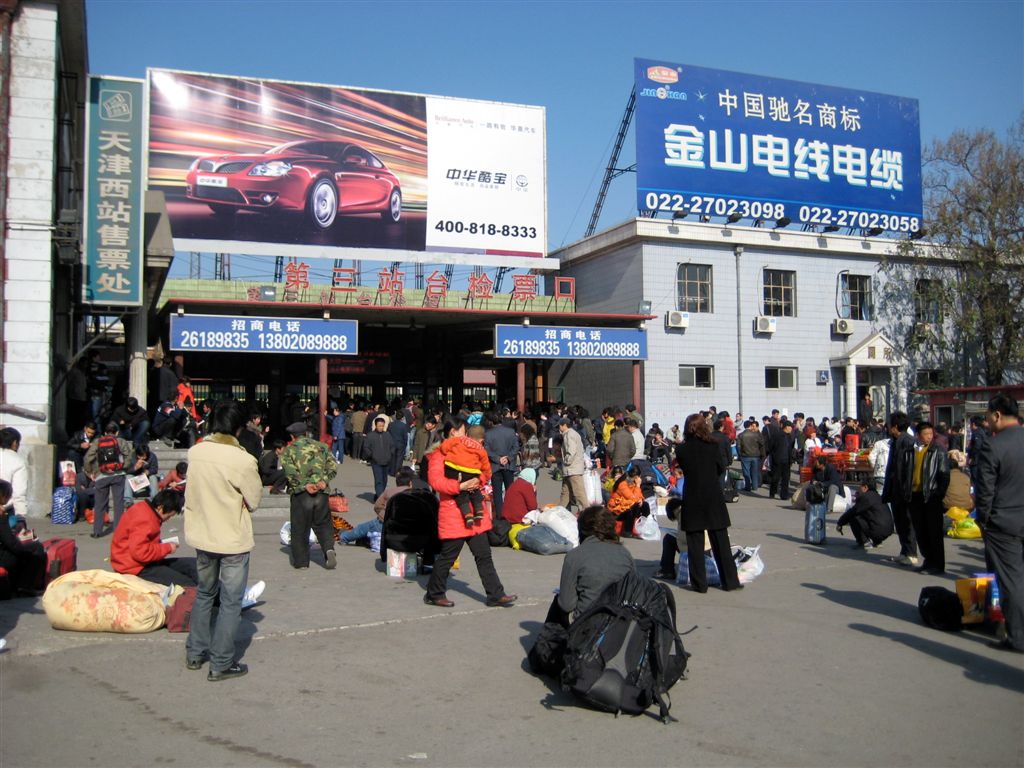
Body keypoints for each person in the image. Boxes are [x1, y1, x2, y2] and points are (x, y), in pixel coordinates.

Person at [184, 400, 263, 682]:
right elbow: (253, 500)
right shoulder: (242, 460)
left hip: (202, 535)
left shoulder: (196, 452)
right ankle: (220, 663)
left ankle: (195, 652)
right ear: (238, 429)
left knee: (204, 594)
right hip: (232, 540)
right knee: (230, 602)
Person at [424, 418, 516, 609]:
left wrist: (478, 481)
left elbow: (485, 471)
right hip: (453, 512)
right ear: (452, 433)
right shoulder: (439, 454)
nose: (466, 436)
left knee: (484, 555)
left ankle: (496, 595)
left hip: (475, 513)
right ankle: (434, 593)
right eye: (462, 432)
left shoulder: (471, 451)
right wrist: (460, 486)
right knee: (448, 557)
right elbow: (436, 482)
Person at [974, 394, 1024, 653]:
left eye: (987, 417)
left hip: (1003, 522)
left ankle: (1018, 636)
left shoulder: (993, 446)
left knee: (1011, 580)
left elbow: (985, 491)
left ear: (996, 415)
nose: (987, 422)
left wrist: (984, 519)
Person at [673, 413, 742, 592]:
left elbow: (684, 468)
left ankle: (699, 583)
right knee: (720, 541)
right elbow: (720, 467)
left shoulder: (681, 449)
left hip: (693, 495)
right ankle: (730, 581)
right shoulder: (713, 446)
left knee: (695, 543)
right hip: (712, 495)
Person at [545, 505, 636, 628]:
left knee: (559, 601)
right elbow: (634, 591)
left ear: (582, 529)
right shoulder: (625, 554)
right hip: (620, 626)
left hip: (588, 627)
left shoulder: (575, 555)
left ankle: (553, 642)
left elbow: (566, 604)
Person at [281, 421, 338, 570]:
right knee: (324, 524)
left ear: (292, 436)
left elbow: (290, 472)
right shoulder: (322, 446)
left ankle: (301, 562)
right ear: (306, 433)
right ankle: (328, 549)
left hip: (302, 494)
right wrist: (324, 481)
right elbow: (333, 466)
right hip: (321, 492)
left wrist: (304, 485)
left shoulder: (289, 450)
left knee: (300, 527)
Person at [111, 489, 197, 586]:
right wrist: (167, 548)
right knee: (186, 584)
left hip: (141, 563)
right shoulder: (145, 519)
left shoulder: (144, 509)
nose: (168, 520)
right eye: (168, 516)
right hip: (134, 568)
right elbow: (140, 552)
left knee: (192, 565)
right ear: (160, 508)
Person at [341, 466, 422, 546]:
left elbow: (377, 506)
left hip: (386, 525)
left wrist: (383, 516)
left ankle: (344, 537)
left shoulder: (389, 491)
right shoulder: (417, 495)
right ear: (410, 483)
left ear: (397, 482)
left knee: (362, 529)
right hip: (409, 529)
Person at [908, 422, 949, 575]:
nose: (929, 437)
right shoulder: (912, 450)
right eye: (925, 434)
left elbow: (944, 474)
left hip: (931, 495)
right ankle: (928, 560)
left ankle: (937, 564)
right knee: (920, 530)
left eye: (931, 434)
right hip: (915, 495)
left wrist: (939, 494)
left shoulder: (937, 451)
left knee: (934, 532)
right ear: (918, 435)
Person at [881, 411, 921, 567]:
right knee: (900, 521)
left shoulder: (907, 442)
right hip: (897, 489)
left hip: (904, 490)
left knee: (906, 521)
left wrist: (906, 490)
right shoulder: (897, 441)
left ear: (895, 427)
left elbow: (908, 469)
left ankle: (911, 553)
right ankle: (905, 552)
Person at [83, 422, 135, 538]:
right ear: (117, 432)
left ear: (104, 433)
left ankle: (97, 531)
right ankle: (119, 531)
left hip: (101, 475)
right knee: (118, 503)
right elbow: (129, 457)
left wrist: (90, 471)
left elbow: (87, 458)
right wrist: (122, 467)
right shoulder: (121, 441)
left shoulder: (97, 442)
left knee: (100, 504)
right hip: (118, 475)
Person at [438, 423, 490, 527]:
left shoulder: (459, 440)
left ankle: (467, 514)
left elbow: (445, 446)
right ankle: (479, 510)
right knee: (475, 491)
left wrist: (446, 451)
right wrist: (483, 479)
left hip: (453, 469)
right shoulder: (481, 449)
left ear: (467, 434)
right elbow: (486, 467)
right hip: (471, 472)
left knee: (461, 495)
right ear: (481, 440)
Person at [0, 480, 46, 594]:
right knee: (36, 547)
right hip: (2, 558)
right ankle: (25, 586)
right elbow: (12, 544)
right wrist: (23, 545)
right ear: (4, 496)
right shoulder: (1, 514)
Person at [836, 481, 894, 549]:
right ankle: (877, 541)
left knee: (853, 517)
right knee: (870, 516)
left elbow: (853, 511)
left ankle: (864, 542)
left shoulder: (866, 497)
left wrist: (840, 523)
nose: (858, 489)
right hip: (888, 529)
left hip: (878, 530)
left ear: (865, 487)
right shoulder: (877, 496)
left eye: (860, 487)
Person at [484, 413, 520, 519]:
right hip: (508, 465)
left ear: (491, 422)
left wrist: (498, 459)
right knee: (510, 490)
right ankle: (511, 512)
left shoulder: (488, 433)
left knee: (497, 492)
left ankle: (500, 515)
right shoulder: (511, 431)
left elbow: (487, 450)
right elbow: (516, 447)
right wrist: (508, 457)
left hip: (495, 465)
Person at [606, 467, 649, 538]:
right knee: (634, 506)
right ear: (636, 477)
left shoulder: (633, 482)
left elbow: (639, 496)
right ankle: (627, 531)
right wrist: (638, 486)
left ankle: (642, 527)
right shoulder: (622, 484)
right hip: (617, 510)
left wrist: (641, 499)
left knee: (645, 505)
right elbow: (632, 498)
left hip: (626, 506)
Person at [557, 417, 588, 513]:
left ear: (564, 425)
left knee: (579, 493)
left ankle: (587, 513)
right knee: (565, 492)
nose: (559, 428)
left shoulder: (569, 435)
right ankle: (560, 510)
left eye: (560, 426)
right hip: (571, 469)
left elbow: (571, 451)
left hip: (572, 469)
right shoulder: (573, 434)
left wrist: (566, 461)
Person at [362, 416, 393, 500]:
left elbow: (392, 446)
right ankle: (380, 498)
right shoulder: (370, 435)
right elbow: (366, 447)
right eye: (379, 425)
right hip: (376, 462)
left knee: (384, 480)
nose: (381, 427)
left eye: (382, 426)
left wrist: (390, 454)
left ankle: (379, 494)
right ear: (376, 425)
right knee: (378, 480)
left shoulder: (387, 435)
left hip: (386, 461)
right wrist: (372, 455)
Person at [0, 428, 29, 518]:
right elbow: (19, 493)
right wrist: (21, 516)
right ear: (15, 443)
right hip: (5, 511)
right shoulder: (18, 461)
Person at [766, 419, 796, 500]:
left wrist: (792, 459)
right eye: (790, 427)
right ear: (786, 427)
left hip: (787, 461)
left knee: (786, 479)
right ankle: (772, 493)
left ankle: (784, 495)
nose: (791, 429)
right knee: (775, 478)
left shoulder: (789, 437)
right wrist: (774, 456)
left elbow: (791, 448)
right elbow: (770, 446)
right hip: (778, 460)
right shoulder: (777, 435)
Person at [737, 419, 765, 494]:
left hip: (745, 455)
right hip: (755, 455)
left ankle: (748, 486)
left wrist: (739, 455)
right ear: (750, 426)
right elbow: (762, 443)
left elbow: (738, 446)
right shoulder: (756, 434)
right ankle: (755, 486)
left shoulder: (741, 435)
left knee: (746, 472)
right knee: (755, 471)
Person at [386, 412, 410, 476]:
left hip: (392, 443)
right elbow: (405, 436)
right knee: (399, 458)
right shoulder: (404, 425)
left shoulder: (391, 424)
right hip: (400, 443)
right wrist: (405, 444)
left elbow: (387, 433)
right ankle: (397, 472)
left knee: (392, 458)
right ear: (402, 418)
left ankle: (391, 471)